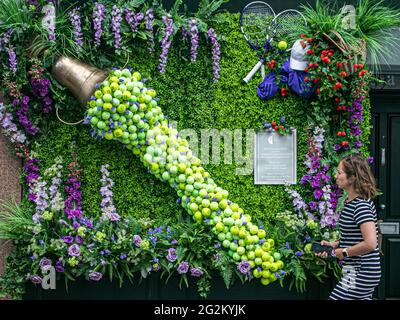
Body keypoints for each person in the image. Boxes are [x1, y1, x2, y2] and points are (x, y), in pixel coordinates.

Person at [316, 154, 381, 300]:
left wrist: (343, 252)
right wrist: (334, 245)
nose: (335, 176)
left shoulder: (361, 206)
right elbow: (354, 236)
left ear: (352, 178)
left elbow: (371, 243)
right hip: (354, 270)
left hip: (362, 271)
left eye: (339, 173)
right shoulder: (350, 202)